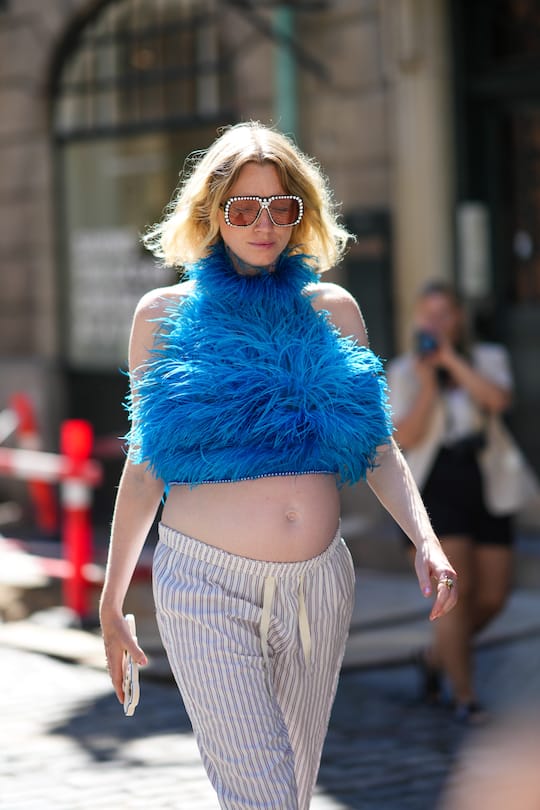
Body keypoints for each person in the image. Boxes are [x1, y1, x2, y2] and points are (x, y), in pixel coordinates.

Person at [99, 122, 457, 810]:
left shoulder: (335, 311)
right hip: (204, 584)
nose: (263, 224)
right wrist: (112, 602)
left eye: (280, 206)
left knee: (289, 793)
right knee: (262, 795)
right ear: (213, 213)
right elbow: (143, 470)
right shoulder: (163, 315)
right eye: (243, 207)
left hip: (319, 589)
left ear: (301, 213)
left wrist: (426, 539)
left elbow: (378, 447)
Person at [387, 281, 513, 723]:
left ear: (458, 319)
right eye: (428, 314)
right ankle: (464, 696)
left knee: (493, 596)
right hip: (433, 485)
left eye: (445, 314)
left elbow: (497, 400)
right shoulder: (404, 370)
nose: (436, 323)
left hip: (486, 482)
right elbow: (406, 437)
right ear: (417, 319)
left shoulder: (487, 358)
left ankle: (435, 658)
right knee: (456, 591)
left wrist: (452, 362)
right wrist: (427, 383)